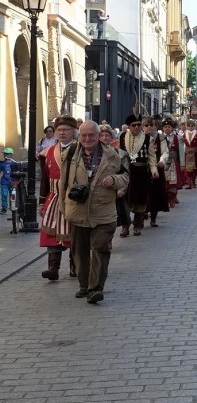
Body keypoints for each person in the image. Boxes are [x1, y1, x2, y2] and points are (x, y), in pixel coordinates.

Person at [59, 120, 128, 304]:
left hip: (103, 212)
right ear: (79, 136)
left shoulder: (112, 155)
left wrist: (115, 180)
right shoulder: (71, 153)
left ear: (99, 136)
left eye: (91, 135)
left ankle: (95, 288)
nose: (87, 138)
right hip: (77, 211)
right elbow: (62, 183)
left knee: (100, 249)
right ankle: (84, 285)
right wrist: (63, 208)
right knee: (79, 252)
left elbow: (125, 177)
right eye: (84, 135)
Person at [37, 116, 78, 280]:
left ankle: (76, 265)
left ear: (73, 132)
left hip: (73, 197)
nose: (61, 133)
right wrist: (41, 202)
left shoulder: (79, 149)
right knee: (52, 233)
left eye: (65, 130)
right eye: (59, 130)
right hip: (53, 197)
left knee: (74, 231)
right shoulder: (48, 152)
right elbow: (44, 179)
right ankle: (53, 268)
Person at [119, 114, 154, 236]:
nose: (137, 127)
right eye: (134, 125)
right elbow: (121, 154)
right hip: (127, 171)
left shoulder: (147, 138)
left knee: (140, 199)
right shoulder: (123, 136)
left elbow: (151, 156)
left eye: (139, 125)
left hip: (141, 172)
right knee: (125, 200)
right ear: (129, 126)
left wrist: (153, 169)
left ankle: (137, 225)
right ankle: (125, 226)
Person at [144, 118, 170, 228]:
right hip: (143, 169)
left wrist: (162, 161)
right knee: (143, 194)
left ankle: (153, 217)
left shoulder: (161, 138)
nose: (149, 127)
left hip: (157, 170)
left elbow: (165, 152)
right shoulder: (140, 138)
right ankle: (141, 215)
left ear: (156, 126)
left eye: (152, 125)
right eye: (147, 125)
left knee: (156, 194)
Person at [181, 119, 197, 189]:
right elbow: (182, 143)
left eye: (192, 126)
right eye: (189, 126)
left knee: (194, 169)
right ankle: (189, 183)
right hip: (187, 153)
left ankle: (193, 182)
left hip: (195, 153)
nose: (190, 127)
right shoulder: (184, 133)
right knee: (187, 169)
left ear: (194, 126)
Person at [0, 147, 17, 214]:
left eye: (7, 154)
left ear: (11, 155)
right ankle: (4, 208)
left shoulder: (14, 163)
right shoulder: (2, 163)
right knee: (4, 195)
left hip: (13, 182)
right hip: (4, 182)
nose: (6, 155)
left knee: (13, 195)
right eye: (5, 154)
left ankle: (12, 207)